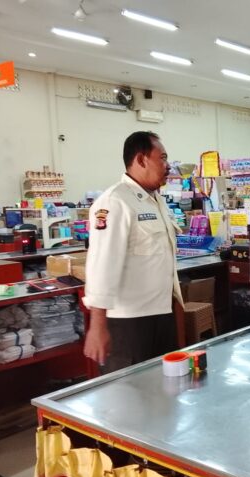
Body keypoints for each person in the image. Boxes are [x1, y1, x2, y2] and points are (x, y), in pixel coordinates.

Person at [83, 131, 183, 372]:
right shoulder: (115, 202)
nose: (168, 166)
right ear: (141, 159)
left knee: (163, 386)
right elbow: (102, 264)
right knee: (129, 390)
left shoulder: (156, 200)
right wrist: (97, 326)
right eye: (162, 158)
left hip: (161, 314)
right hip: (129, 323)